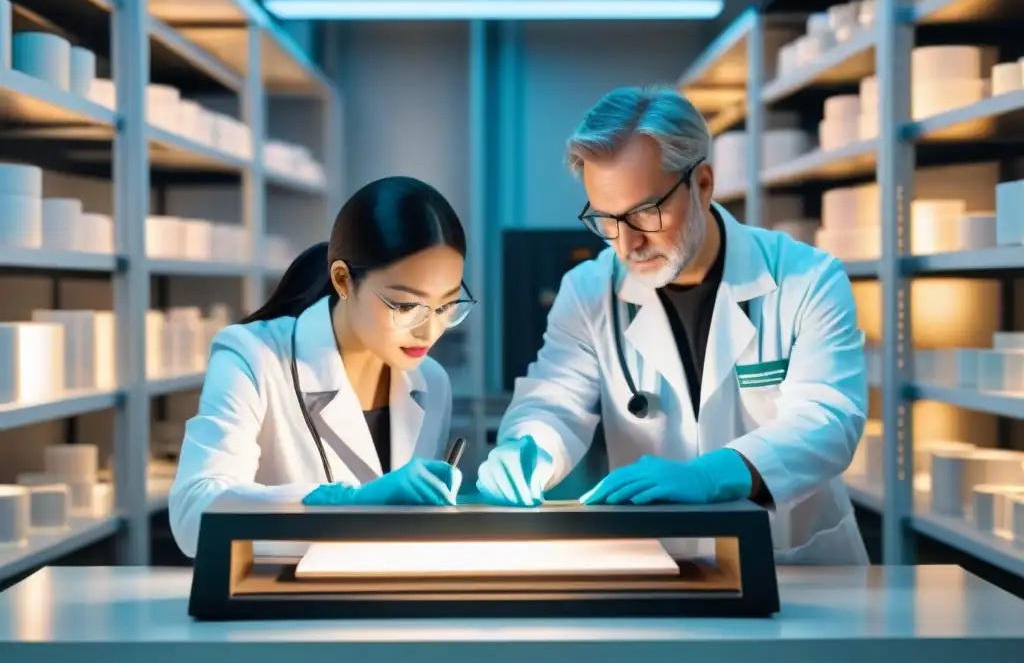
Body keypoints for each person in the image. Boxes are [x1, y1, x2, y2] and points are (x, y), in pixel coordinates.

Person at [477, 85, 869, 565]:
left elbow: (829, 421)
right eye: (605, 219)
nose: (626, 244)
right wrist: (528, 448)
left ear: (702, 184)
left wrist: (713, 474)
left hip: (797, 570)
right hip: (662, 563)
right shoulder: (588, 291)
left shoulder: (807, 279)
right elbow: (555, 403)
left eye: (646, 212)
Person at [169, 176, 476, 558]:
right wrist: (346, 502)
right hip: (280, 608)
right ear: (344, 280)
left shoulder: (431, 381)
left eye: (446, 306)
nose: (429, 331)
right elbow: (192, 515)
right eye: (405, 306)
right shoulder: (253, 356)